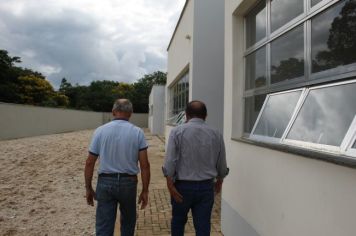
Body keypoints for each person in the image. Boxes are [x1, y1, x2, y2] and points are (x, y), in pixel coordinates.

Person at [84, 99, 150, 236]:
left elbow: (90, 162)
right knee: (128, 223)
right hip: (129, 183)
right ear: (130, 113)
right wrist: (145, 190)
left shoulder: (100, 131)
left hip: (105, 182)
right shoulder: (138, 132)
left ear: (113, 112)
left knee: (104, 225)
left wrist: (88, 187)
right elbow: (144, 165)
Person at [163, 100, 229, 236]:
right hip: (206, 188)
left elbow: (170, 161)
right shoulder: (216, 134)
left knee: (178, 221)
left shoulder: (177, 132)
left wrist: (170, 184)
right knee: (203, 225)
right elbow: (221, 161)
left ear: (186, 115)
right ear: (205, 116)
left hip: (182, 188)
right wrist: (220, 181)